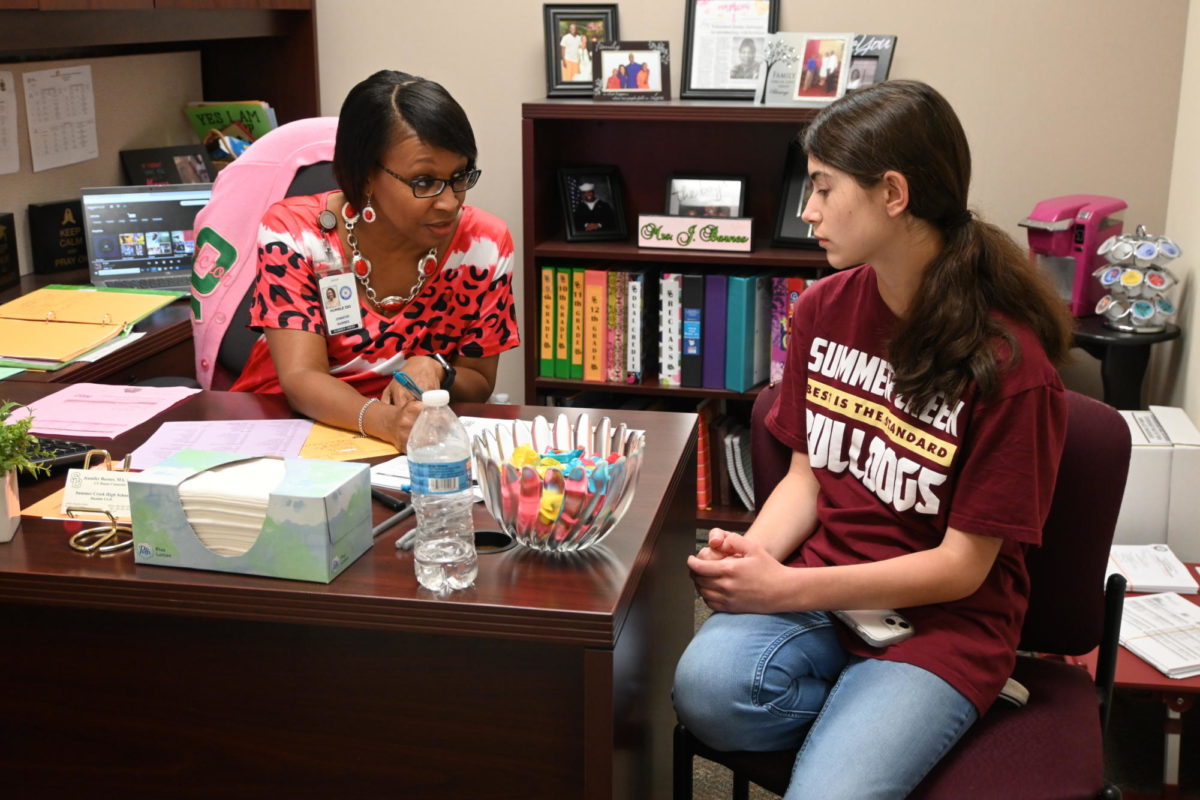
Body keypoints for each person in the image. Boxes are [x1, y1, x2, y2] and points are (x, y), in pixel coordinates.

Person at [673, 80, 1074, 799]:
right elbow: (806, 477)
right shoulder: (824, 308)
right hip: (827, 593)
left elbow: (960, 568)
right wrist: (755, 557)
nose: (808, 210)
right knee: (704, 693)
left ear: (894, 193)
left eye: (824, 187)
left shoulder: (1010, 367)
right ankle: (870, 724)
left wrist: (788, 588)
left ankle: (914, 715)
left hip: (945, 628)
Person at [230, 70, 519, 452]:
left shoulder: (483, 245)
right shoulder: (295, 232)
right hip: (285, 429)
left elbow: (479, 383)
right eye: (424, 181)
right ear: (365, 175)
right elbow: (301, 377)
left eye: (459, 176)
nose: (449, 202)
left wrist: (437, 367)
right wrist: (385, 423)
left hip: (405, 441)